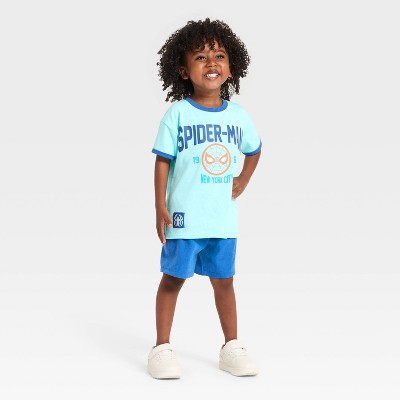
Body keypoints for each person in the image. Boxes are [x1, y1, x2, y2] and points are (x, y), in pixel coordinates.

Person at [147, 18, 262, 379]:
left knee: (224, 282)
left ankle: (232, 346)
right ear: (183, 70)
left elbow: (254, 150)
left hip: (221, 219)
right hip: (184, 217)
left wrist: (243, 178)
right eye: (200, 57)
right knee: (172, 279)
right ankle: (162, 347)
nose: (211, 63)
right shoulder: (177, 114)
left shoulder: (238, 116)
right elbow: (163, 161)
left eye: (219, 55)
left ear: (231, 66)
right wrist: (160, 205)